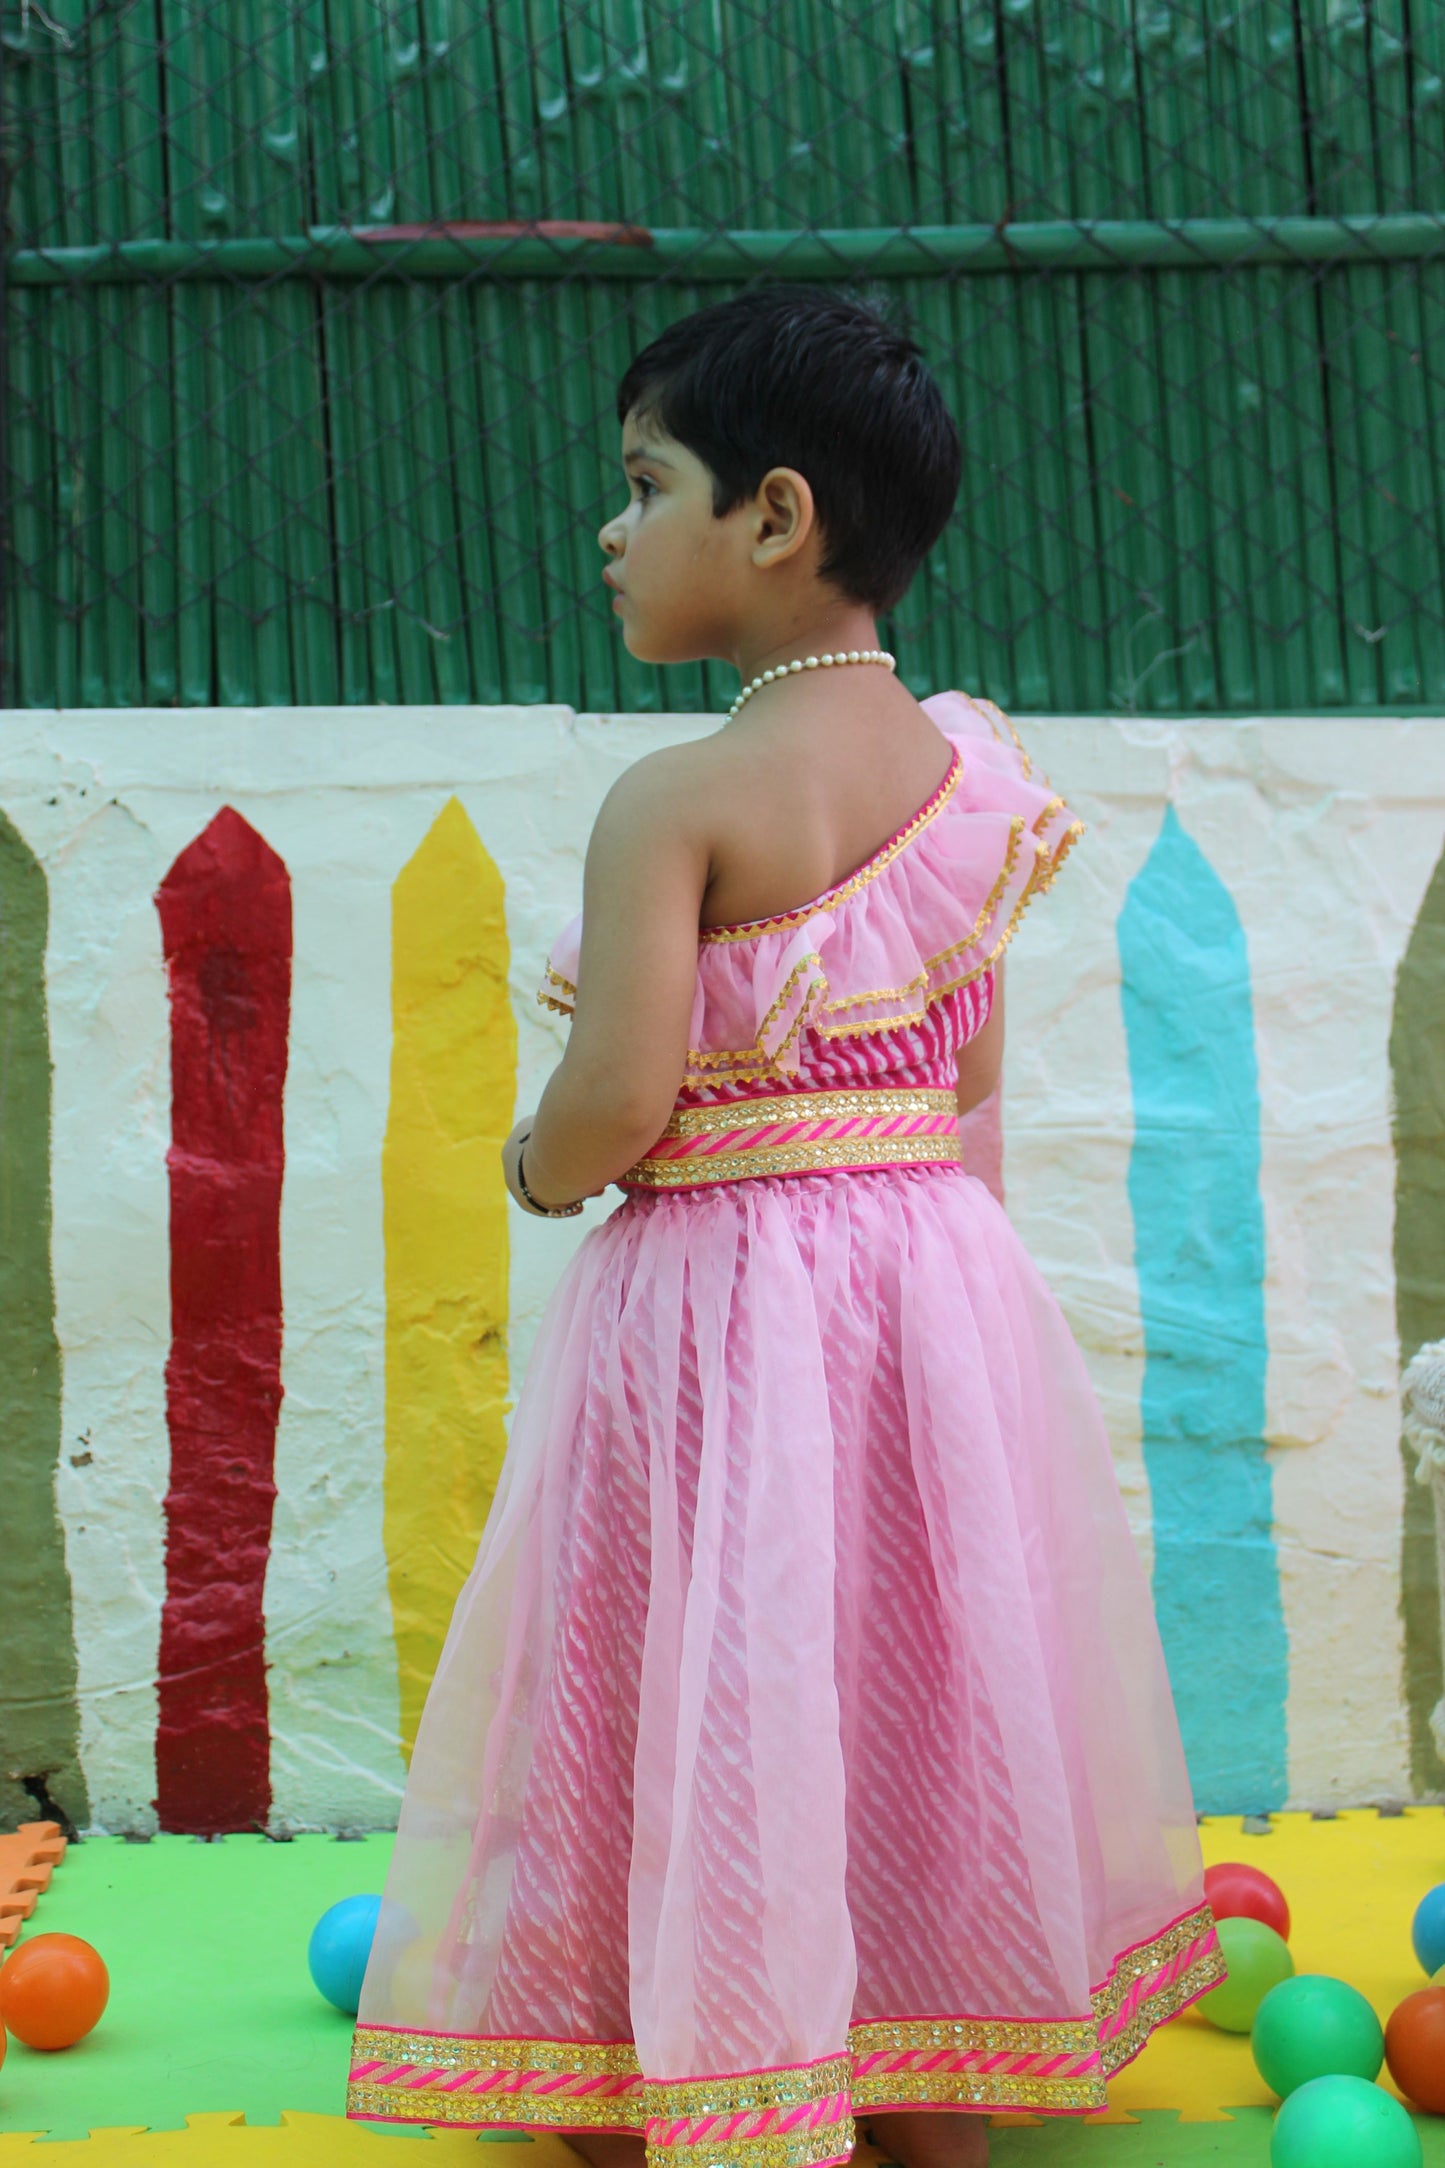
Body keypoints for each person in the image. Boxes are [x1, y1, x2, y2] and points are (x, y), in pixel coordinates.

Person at [347, 287, 1224, 2168]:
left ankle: (676, 2054)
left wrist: (529, 1164)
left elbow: (621, 1108)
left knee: (699, 1662)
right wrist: (929, 1268)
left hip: (721, 1307)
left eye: (641, 482)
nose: (609, 527)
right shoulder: (968, 780)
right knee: (913, 1663)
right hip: (928, 1286)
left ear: (775, 518)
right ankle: (930, 2063)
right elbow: (963, 1058)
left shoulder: (674, 798)